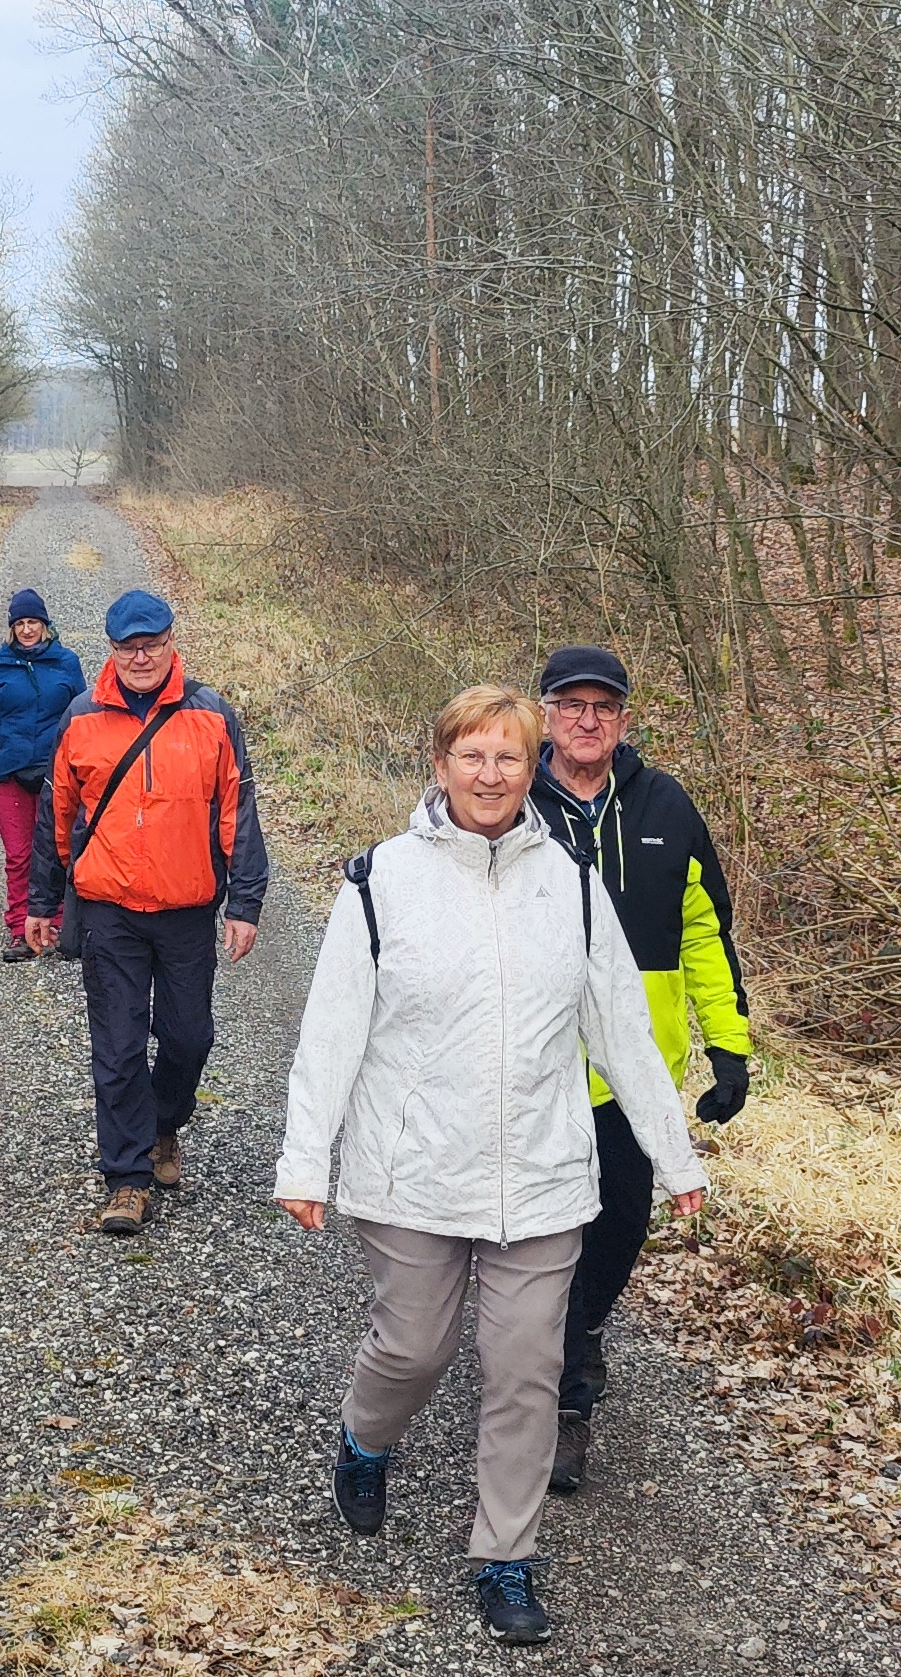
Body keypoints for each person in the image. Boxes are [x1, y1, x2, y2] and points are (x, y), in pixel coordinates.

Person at [274, 684, 706, 1648]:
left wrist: (674, 1155)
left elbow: (622, 1031)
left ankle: (504, 1552)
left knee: (526, 1369)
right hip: (414, 1168)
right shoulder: (381, 881)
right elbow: (332, 1033)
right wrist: (306, 1159)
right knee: (415, 1347)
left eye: (508, 758)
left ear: (530, 769)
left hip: (545, 1174)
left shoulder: (571, 884)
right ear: (440, 766)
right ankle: (365, 1439)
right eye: (472, 756)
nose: (490, 774)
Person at [524, 644, 754, 1494]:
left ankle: (571, 1342)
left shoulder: (666, 806)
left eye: (604, 707)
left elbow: (705, 934)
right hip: (534, 1065)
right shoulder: (510, 800)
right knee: (537, 1229)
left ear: (624, 717)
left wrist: (729, 1047)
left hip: (634, 1078)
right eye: (571, 704)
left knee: (618, 1229)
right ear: (545, 712)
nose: (588, 720)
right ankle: (561, 1396)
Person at [25, 588, 266, 1233]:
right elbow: (58, 815)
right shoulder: (81, 717)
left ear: (170, 644)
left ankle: (163, 1123)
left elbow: (238, 813)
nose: (140, 658)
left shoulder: (211, 715)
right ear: (112, 649)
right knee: (119, 1043)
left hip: (187, 908)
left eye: (151, 645)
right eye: (128, 647)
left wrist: (244, 900)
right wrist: (42, 902)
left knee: (190, 1037)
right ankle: (127, 1176)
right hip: (109, 910)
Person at [0, 590, 85, 963]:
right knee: (19, 854)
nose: (27, 630)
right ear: (12, 628)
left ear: (45, 625)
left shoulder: (66, 662)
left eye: (33, 623)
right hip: (10, 771)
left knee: (58, 849)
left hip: (57, 773)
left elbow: (86, 715)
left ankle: (59, 924)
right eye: (20, 624)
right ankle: (21, 927)